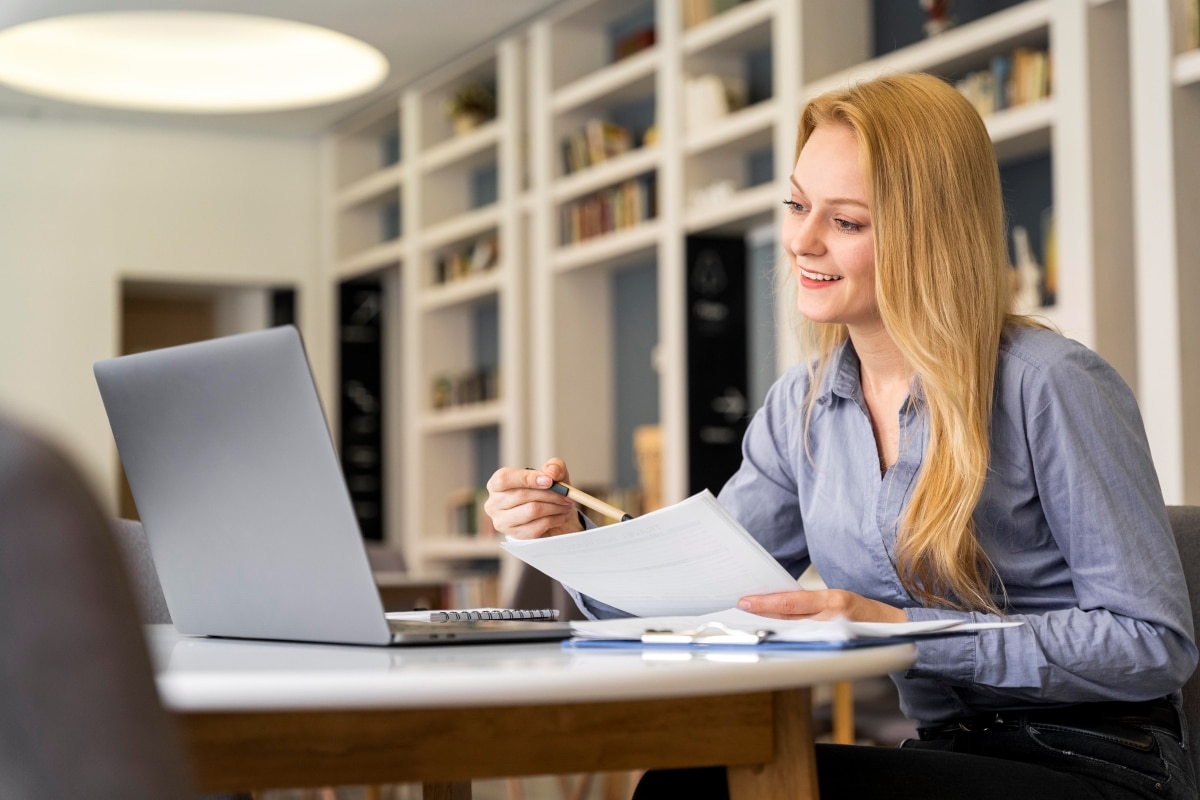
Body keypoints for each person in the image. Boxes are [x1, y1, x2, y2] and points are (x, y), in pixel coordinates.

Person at [484, 72, 1198, 799]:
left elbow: (1155, 642)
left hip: (1099, 760)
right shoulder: (802, 407)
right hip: (950, 752)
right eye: (797, 205)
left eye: (846, 222)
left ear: (931, 237)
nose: (800, 241)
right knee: (692, 784)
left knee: (692, 792)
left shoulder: (1050, 383)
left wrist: (900, 629)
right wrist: (571, 539)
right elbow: (703, 600)